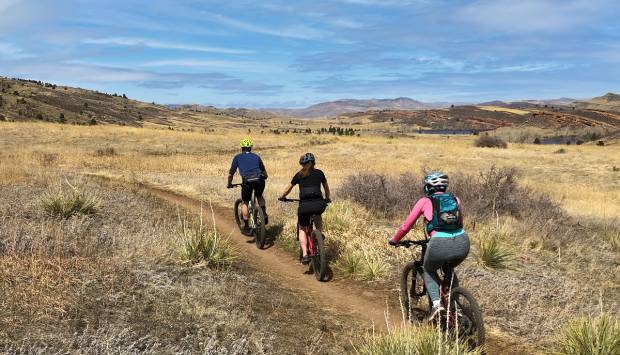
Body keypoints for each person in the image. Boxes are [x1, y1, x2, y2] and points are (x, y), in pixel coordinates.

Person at [388, 172, 470, 320]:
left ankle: (437, 305)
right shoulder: (455, 199)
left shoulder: (425, 202)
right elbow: (460, 223)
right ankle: (456, 307)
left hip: (439, 243)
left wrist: (395, 240)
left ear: (428, 187)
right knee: (449, 268)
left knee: (429, 269)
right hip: (463, 241)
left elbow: (406, 226)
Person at [278, 153, 331, 264]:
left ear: (302, 164)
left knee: (302, 227)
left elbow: (288, 189)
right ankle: (319, 233)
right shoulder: (319, 173)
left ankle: (305, 254)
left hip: (304, 206)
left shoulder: (299, 174)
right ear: (314, 163)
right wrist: (327, 198)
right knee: (318, 214)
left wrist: (283, 197)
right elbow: (326, 189)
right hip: (319, 204)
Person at [227, 138, 268, 234]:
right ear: (250, 148)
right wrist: (265, 176)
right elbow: (263, 170)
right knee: (259, 195)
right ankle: (264, 214)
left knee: (245, 202)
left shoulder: (237, 157)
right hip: (259, 180)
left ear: (242, 148)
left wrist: (229, 184)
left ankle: (246, 225)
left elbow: (230, 174)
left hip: (247, 182)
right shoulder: (256, 156)